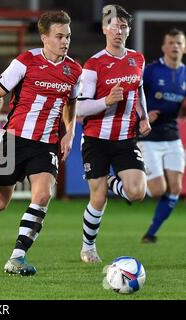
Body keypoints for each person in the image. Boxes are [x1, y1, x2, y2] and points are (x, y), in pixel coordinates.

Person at [0, 11, 82, 275]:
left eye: (67, 36)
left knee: (43, 195)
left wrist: (69, 131)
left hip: (46, 144)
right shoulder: (25, 62)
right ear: (44, 38)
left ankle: (17, 257)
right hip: (15, 140)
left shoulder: (74, 70)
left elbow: (71, 101)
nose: (64, 41)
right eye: (59, 36)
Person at [76, 4, 151, 263]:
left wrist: (143, 116)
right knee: (98, 199)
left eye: (123, 26)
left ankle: (109, 182)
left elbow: (139, 89)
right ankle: (88, 247)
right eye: (113, 25)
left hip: (124, 138)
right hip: (96, 139)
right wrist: (106, 101)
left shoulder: (137, 59)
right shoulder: (93, 64)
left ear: (129, 30)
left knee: (138, 193)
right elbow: (80, 108)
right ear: (104, 29)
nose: (118, 31)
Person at [138, 28, 185, 243]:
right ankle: (128, 184)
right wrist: (145, 115)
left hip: (172, 136)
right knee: (158, 190)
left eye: (179, 43)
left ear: (184, 48)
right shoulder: (151, 70)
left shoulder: (185, 73)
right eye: (171, 42)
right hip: (149, 137)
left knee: (175, 188)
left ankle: (151, 232)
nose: (175, 46)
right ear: (164, 47)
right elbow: (135, 96)